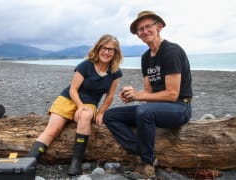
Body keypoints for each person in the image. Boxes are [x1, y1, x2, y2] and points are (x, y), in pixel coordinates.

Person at [103, 10, 193, 179]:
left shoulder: (171, 51)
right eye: (140, 29)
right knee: (110, 116)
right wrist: (132, 94)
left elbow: (172, 95)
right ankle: (139, 149)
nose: (144, 31)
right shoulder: (145, 58)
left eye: (148, 26)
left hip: (180, 107)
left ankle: (147, 162)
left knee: (145, 111)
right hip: (156, 107)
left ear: (159, 26)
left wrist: (138, 96)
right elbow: (149, 92)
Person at [27, 34, 123, 176]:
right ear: (98, 48)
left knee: (85, 116)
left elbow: (109, 96)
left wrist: (101, 112)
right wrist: (79, 105)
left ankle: (76, 162)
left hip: (90, 103)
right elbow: (73, 89)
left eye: (111, 50)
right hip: (68, 99)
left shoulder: (114, 72)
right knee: (52, 130)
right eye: (104, 48)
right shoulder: (86, 65)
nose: (107, 52)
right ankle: (29, 161)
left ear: (115, 53)